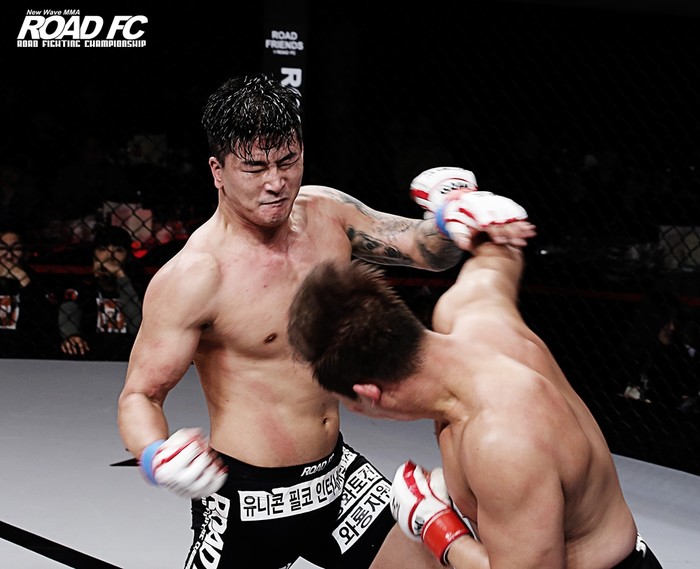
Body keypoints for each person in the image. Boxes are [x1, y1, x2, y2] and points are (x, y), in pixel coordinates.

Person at [116, 73, 535, 569]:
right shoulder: (195, 276)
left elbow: (426, 252)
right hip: (245, 500)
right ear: (218, 171)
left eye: (287, 161)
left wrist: (452, 217)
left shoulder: (327, 215)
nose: (276, 182)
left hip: (338, 482)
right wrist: (154, 455)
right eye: (255, 168)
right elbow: (140, 395)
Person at [286, 238, 663, 568]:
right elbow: (499, 255)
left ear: (369, 394)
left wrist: (436, 527)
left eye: (349, 404)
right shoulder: (470, 313)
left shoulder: (501, 444)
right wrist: (468, 214)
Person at [59, 225, 143, 360]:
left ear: (128, 256)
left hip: (129, 357)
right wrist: (71, 335)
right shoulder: (83, 287)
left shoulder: (138, 287)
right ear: (94, 255)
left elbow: (136, 328)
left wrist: (121, 277)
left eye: (118, 250)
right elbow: (68, 310)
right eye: (103, 249)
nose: (110, 256)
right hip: (90, 356)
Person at [0, 227, 58, 358]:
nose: (8, 255)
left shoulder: (38, 282)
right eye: (2, 248)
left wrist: (24, 280)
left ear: (26, 254)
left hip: (26, 354)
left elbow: (47, 323)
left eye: (16, 249)